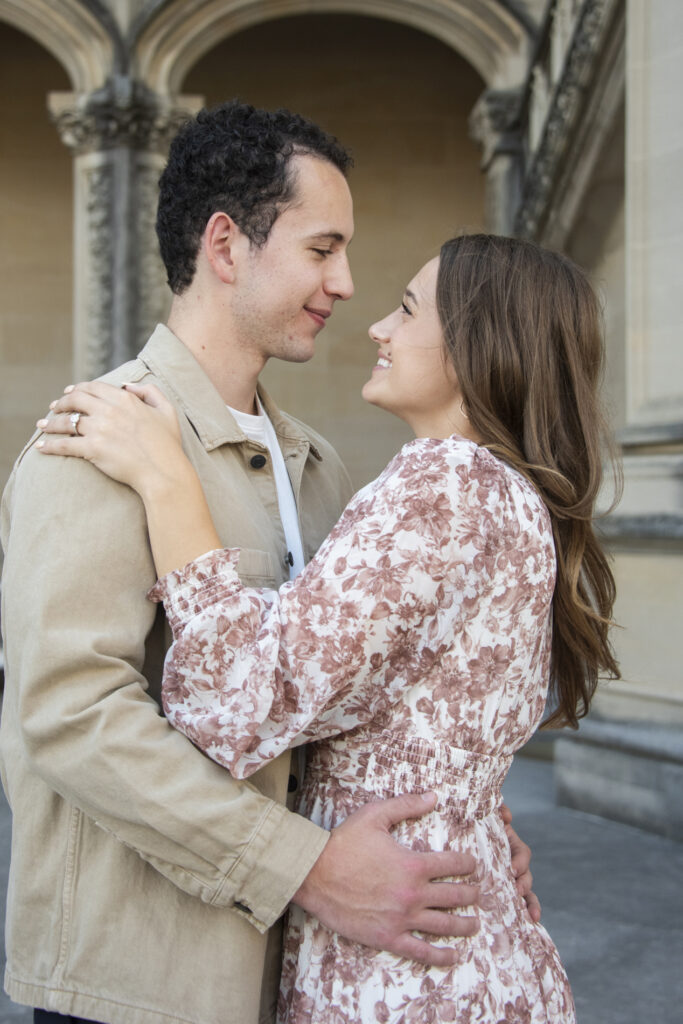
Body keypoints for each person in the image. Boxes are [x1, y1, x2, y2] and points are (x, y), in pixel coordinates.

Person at [0, 103, 536, 1024]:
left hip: (297, 975)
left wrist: (459, 815)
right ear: (226, 244)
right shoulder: (92, 439)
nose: (345, 284)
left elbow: (330, 691)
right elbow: (71, 714)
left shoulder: (319, 465)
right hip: (142, 984)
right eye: (323, 249)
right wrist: (307, 868)